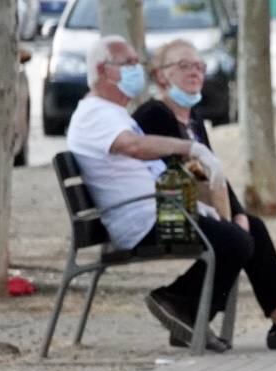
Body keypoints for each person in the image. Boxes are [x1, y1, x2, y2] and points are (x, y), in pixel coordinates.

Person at [133, 39, 276, 353]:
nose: (194, 72)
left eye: (199, 66)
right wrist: (228, 217)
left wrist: (236, 212)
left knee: (252, 227)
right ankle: (177, 300)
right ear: (160, 76)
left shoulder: (192, 119)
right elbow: (184, 170)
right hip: (162, 209)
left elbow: (213, 172)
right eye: (183, 66)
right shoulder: (156, 113)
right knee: (235, 239)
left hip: (189, 206)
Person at [65, 35, 254, 347]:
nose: (135, 69)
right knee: (235, 240)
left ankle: (189, 313)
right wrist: (190, 148)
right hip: (143, 220)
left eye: (137, 62)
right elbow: (134, 147)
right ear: (102, 70)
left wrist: (218, 199)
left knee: (240, 233)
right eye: (127, 63)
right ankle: (174, 301)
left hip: (157, 210)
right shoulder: (96, 113)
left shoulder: (115, 113)